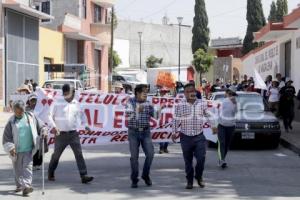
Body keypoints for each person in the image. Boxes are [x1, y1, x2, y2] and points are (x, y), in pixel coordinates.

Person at [172, 83, 217, 189]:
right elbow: (176, 119)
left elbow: (208, 115)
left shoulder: (202, 103)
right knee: (188, 161)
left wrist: (214, 126)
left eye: (191, 91)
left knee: (201, 159)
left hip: (199, 136)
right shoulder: (180, 105)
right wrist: (174, 132)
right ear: (184, 93)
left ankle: (199, 176)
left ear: (195, 92)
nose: (189, 93)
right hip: (185, 137)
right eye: (187, 92)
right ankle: (189, 181)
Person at [48, 84, 94, 184]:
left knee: (79, 154)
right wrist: (54, 126)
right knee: (56, 155)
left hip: (74, 134)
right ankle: (51, 171)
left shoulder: (77, 104)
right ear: (64, 93)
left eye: (70, 93)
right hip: (60, 135)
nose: (68, 95)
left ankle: (84, 175)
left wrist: (86, 125)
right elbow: (49, 116)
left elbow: (82, 116)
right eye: (66, 93)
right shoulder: (57, 103)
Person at [2, 100, 47, 197]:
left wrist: (44, 131)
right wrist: (11, 147)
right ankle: (19, 185)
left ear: (24, 110)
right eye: (17, 112)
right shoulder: (11, 122)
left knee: (28, 167)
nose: (19, 114)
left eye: (21, 111)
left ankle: (26, 186)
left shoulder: (31, 117)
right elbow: (6, 137)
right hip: (16, 151)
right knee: (18, 170)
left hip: (29, 149)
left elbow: (42, 126)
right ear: (14, 111)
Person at [125, 84, 159, 188]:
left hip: (145, 132)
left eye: (147, 92)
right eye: (144, 92)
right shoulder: (130, 102)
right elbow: (129, 116)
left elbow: (156, 117)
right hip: (133, 132)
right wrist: (137, 111)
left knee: (150, 154)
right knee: (134, 157)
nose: (146, 94)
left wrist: (159, 111)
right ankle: (134, 179)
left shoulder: (148, 103)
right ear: (137, 93)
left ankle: (145, 175)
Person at [217, 86, 238, 169]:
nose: (230, 95)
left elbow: (235, 112)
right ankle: (222, 160)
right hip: (221, 125)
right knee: (222, 143)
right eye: (230, 93)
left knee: (227, 144)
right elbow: (216, 111)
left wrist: (235, 104)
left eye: (232, 94)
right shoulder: (222, 101)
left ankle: (222, 159)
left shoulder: (235, 102)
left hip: (231, 125)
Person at [25, 94, 44, 171]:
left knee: (39, 148)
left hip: (39, 130)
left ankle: (38, 163)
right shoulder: (25, 110)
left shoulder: (41, 108)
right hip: (29, 131)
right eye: (32, 100)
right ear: (29, 101)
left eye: (35, 100)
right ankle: (31, 163)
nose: (33, 102)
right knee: (31, 148)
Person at [158, 87, 170, 154]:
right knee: (161, 133)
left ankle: (165, 147)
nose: (164, 93)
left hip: (168, 119)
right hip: (161, 118)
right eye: (163, 91)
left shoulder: (169, 99)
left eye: (165, 92)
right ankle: (161, 148)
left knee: (167, 133)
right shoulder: (158, 99)